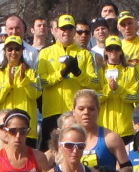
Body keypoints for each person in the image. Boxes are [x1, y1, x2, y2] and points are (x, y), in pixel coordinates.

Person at [38, 14, 99, 144]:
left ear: (74, 32)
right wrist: (61, 73)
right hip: (52, 111)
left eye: (70, 29)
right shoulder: (45, 53)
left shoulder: (85, 54)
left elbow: (94, 83)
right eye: (63, 28)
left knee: (76, 145)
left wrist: (78, 73)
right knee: (51, 149)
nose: (66, 32)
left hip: (76, 112)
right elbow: (41, 82)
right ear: (57, 30)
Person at [0, 36, 46, 147]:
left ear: (22, 51)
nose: (13, 52)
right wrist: (8, 84)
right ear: (5, 51)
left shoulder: (31, 72)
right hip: (6, 129)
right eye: (10, 49)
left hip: (26, 130)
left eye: (17, 49)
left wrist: (25, 80)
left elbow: (36, 94)